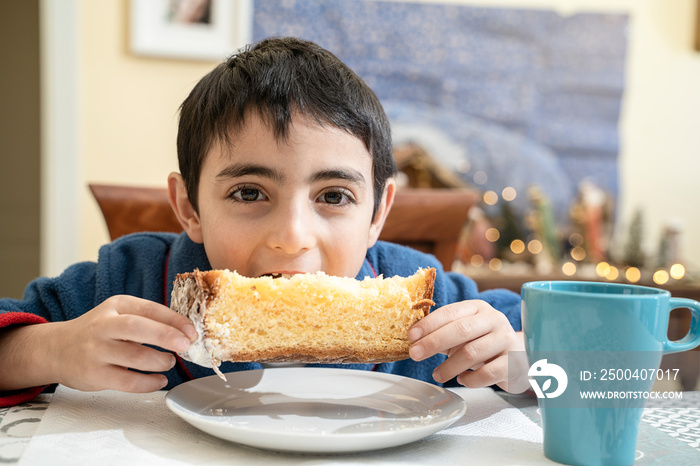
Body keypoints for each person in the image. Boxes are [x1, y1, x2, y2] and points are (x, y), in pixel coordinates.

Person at [0, 37, 527, 407]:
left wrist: (524, 362)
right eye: (249, 192)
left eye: (335, 195)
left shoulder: (434, 308)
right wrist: (51, 350)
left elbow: (596, 372)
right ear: (189, 207)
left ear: (378, 213)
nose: (292, 237)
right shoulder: (127, 280)